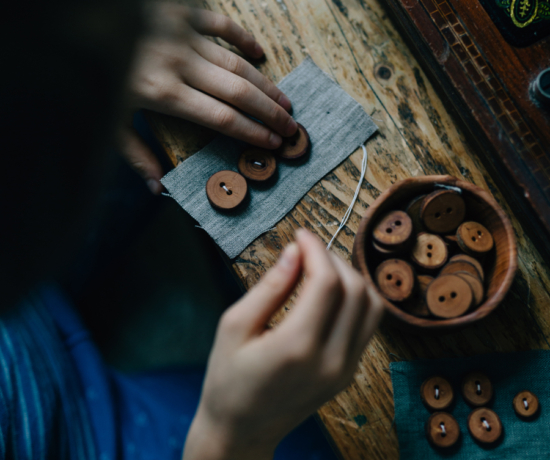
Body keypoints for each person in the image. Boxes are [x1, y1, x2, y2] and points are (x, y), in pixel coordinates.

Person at [0, 1, 384, 459]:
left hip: (29, 317)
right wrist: (229, 436)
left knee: (185, 106)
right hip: (78, 433)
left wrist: (74, 52)